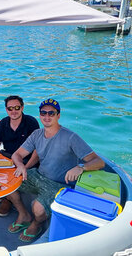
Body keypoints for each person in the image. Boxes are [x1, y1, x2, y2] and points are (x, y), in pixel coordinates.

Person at [6, 98, 105, 243]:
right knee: (7, 183)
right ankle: (23, 214)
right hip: (38, 175)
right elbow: (17, 154)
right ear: (39, 115)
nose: (47, 116)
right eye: (43, 113)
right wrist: (21, 166)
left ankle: (37, 223)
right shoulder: (37, 134)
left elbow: (99, 161)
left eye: (51, 113)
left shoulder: (71, 137)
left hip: (59, 184)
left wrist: (81, 167)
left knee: (38, 209)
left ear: (58, 115)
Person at [0, 95, 40, 217]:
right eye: (10, 108)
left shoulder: (31, 122)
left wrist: (25, 167)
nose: (13, 111)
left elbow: (37, 150)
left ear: (22, 108)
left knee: (13, 178)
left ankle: (7, 200)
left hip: (28, 159)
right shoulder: (3, 123)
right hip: (8, 157)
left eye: (17, 107)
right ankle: (3, 197)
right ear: (6, 110)